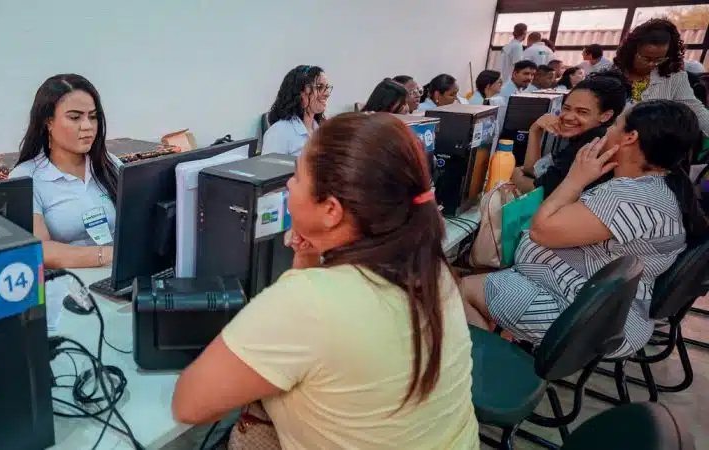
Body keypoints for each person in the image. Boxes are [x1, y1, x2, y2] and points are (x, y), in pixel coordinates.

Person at [172, 112, 480, 450]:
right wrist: (306, 260)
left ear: (331, 210)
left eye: (299, 177)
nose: (289, 183)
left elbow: (189, 403)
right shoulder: (430, 266)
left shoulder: (311, 303)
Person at [464, 100, 709, 359]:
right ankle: (504, 342)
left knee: (462, 289)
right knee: (487, 274)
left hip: (584, 318)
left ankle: (486, 372)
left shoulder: (629, 197)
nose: (607, 132)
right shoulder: (659, 185)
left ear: (630, 137)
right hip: (601, 308)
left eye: (615, 125)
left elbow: (541, 231)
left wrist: (576, 178)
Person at [9, 74, 122, 269]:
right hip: (69, 285)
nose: (87, 126)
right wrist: (109, 255)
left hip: (121, 276)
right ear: (48, 122)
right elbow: (40, 249)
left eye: (93, 117)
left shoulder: (109, 163)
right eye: (75, 117)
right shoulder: (26, 178)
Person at [512, 73, 628, 196]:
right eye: (566, 108)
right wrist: (535, 131)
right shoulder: (587, 135)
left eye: (582, 112)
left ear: (606, 116)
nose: (567, 117)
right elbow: (534, 171)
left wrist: (516, 176)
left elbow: (538, 191)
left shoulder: (594, 141)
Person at [611, 18, 709, 136]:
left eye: (659, 59)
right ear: (632, 51)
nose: (653, 64)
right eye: (646, 58)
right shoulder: (614, 74)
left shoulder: (674, 78)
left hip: (651, 144)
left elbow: (695, 109)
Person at [262, 65, 330, 156]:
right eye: (319, 87)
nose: (327, 93)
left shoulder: (321, 129)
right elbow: (268, 169)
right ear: (300, 93)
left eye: (326, 87)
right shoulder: (279, 132)